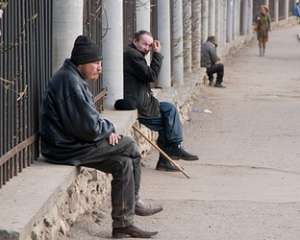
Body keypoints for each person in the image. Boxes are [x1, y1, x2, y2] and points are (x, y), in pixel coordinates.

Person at [40, 35, 162, 239]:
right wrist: (108, 130)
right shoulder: (69, 82)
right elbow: (88, 127)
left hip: (73, 142)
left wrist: (107, 130)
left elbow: (91, 120)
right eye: (96, 63)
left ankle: (123, 224)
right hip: (64, 147)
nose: (99, 68)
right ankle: (135, 202)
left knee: (122, 163)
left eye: (100, 63)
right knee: (130, 145)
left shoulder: (73, 77)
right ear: (82, 62)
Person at [122, 30, 199, 172]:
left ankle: (170, 154)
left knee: (168, 113)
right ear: (135, 41)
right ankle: (175, 148)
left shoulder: (135, 54)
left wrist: (153, 53)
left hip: (144, 100)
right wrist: (156, 54)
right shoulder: (133, 56)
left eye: (149, 46)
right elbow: (151, 76)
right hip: (138, 103)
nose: (147, 48)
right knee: (167, 117)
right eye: (144, 44)